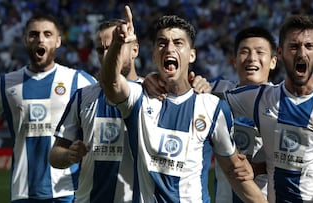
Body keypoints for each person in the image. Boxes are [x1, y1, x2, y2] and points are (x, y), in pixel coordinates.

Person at [99, 5, 267, 202]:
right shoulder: (139, 97)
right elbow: (110, 82)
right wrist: (118, 45)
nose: (169, 48)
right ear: (154, 55)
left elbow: (233, 171)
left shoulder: (212, 106)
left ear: (192, 55)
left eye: (178, 43)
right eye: (162, 43)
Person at [223, 15, 313, 202]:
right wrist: (185, 85)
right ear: (280, 52)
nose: (302, 54)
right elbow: (208, 99)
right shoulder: (261, 98)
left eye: (309, 46)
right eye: (294, 46)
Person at [0, 13, 96, 202]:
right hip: (23, 192)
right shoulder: (5, 85)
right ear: (26, 39)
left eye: (47, 34)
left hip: (67, 191)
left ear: (58, 41)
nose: (40, 39)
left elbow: (111, 104)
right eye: (34, 34)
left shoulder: (79, 80)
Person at [48, 19, 142, 203]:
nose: (107, 54)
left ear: (135, 50)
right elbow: (55, 155)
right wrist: (69, 155)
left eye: (116, 45)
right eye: (101, 49)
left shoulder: (153, 94)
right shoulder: (84, 96)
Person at [210, 26, 277, 203]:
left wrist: (257, 168)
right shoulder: (218, 90)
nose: (252, 58)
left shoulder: (279, 102)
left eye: (259, 52)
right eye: (244, 52)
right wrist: (197, 83)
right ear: (234, 60)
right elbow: (182, 86)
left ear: (273, 61)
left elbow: (298, 157)